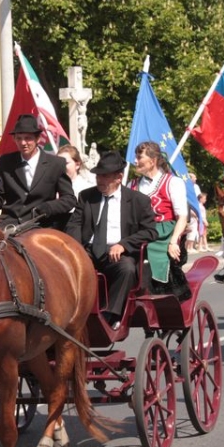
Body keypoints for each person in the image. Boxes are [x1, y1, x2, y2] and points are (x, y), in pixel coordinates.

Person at [66, 152, 157, 329]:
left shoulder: (138, 201)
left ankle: (111, 315)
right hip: (88, 251)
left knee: (127, 269)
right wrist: (76, 249)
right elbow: (74, 225)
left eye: (105, 176)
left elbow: (150, 232)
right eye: (98, 175)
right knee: (64, 268)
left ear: (119, 177)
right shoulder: (86, 197)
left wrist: (123, 244)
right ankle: (67, 313)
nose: (100, 180)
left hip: (117, 254)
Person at [0, 114, 76, 230]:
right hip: (9, 225)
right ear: (14, 139)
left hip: (41, 225)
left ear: (38, 139)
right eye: (19, 138)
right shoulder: (5, 162)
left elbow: (69, 199)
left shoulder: (56, 164)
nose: (23, 143)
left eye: (28, 138)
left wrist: (49, 207)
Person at [128, 141, 191, 301]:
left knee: (159, 254)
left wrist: (174, 242)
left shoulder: (172, 182)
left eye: (139, 157)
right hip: (139, 233)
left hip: (165, 233)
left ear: (153, 161)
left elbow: (182, 216)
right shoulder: (132, 185)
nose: (135, 161)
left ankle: (167, 294)